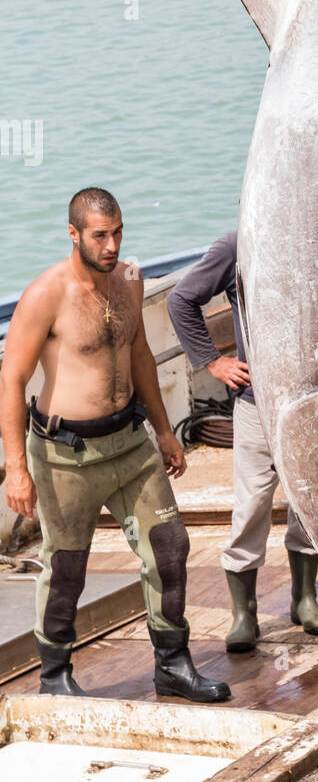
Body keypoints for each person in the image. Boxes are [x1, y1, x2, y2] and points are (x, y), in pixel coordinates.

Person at [0, 188, 230, 702]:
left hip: (130, 444)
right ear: (74, 234)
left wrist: (166, 430)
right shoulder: (45, 295)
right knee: (67, 567)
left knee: (170, 548)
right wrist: (16, 468)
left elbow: (143, 355)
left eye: (118, 232)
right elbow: (10, 380)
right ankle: (55, 675)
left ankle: (173, 664)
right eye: (100, 235)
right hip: (66, 456)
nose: (111, 244)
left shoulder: (129, 279)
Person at [167, 232, 318, 651]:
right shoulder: (236, 245)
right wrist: (212, 361)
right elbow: (181, 300)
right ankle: (245, 613)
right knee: (251, 506)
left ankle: (305, 598)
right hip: (256, 405)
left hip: (311, 401)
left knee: (309, 503)